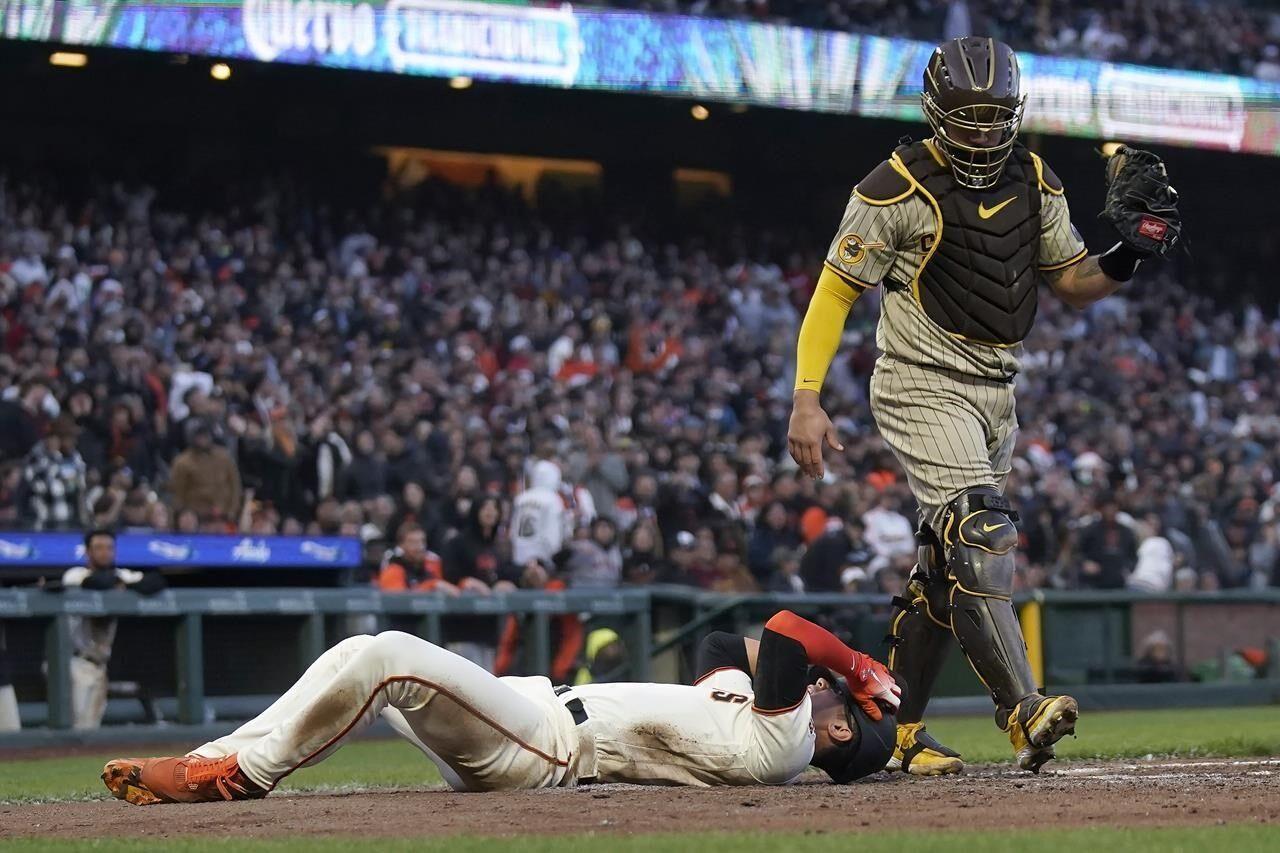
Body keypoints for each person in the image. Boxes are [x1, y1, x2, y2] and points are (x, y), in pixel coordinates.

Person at [786, 37, 1180, 775]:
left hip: (999, 389)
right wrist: (806, 395)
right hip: (920, 377)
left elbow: (1071, 279)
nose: (982, 133)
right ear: (936, 113)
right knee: (983, 524)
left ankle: (896, 725)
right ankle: (1023, 707)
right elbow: (836, 290)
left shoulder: (1035, 177)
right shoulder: (894, 186)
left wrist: (1128, 253)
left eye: (995, 118)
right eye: (967, 119)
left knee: (944, 568)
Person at [100, 610, 899, 805]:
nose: (832, 688)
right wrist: (869, 695)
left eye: (842, 701)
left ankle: (246, 774)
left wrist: (860, 667)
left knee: (387, 658)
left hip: (546, 747)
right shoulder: (760, 710)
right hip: (534, 715)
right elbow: (727, 639)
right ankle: (221, 757)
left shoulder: (787, 740)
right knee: (359, 649)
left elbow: (787, 632)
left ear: (835, 729)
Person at [60, 529, 167, 729]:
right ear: (87, 552)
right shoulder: (75, 574)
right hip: (74, 661)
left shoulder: (119, 575)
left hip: (99, 664)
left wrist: (122, 582)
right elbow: (96, 582)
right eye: (98, 548)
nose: (104, 553)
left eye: (109, 548)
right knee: (77, 729)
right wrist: (123, 583)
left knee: (91, 727)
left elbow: (156, 581)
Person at [169, 420, 242, 524]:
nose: (202, 439)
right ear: (192, 438)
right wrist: (183, 516)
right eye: (199, 436)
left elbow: (235, 486)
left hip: (224, 516)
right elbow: (178, 494)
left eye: (205, 435)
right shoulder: (182, 462)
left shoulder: (224, 458)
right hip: (197, 518)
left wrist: (232, 511)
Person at [510, 460, 572, 567]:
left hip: (519, 554)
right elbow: (553, 532)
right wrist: (554, 554)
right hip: (543, 558)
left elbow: (513, 528)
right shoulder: (553, 499)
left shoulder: (521, 498)